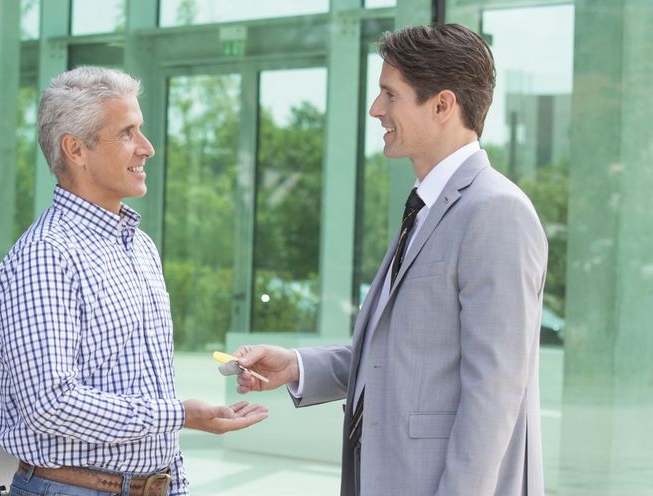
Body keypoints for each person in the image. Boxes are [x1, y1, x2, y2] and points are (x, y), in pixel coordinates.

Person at [234, 24, 547, 496]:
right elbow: (404, 353)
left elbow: (494, 392)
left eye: (390, 94)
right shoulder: (427, 207)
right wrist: (297, 366)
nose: (375, 109)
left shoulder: (495, 211)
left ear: (442, 105)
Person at [0, 66, 268, 496]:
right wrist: (179, 415)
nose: (147, 148)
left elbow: (148, 383)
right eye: (127, 133)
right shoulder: (47, 256)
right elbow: (50, 405)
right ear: (76, 150)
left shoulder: (140, 247)